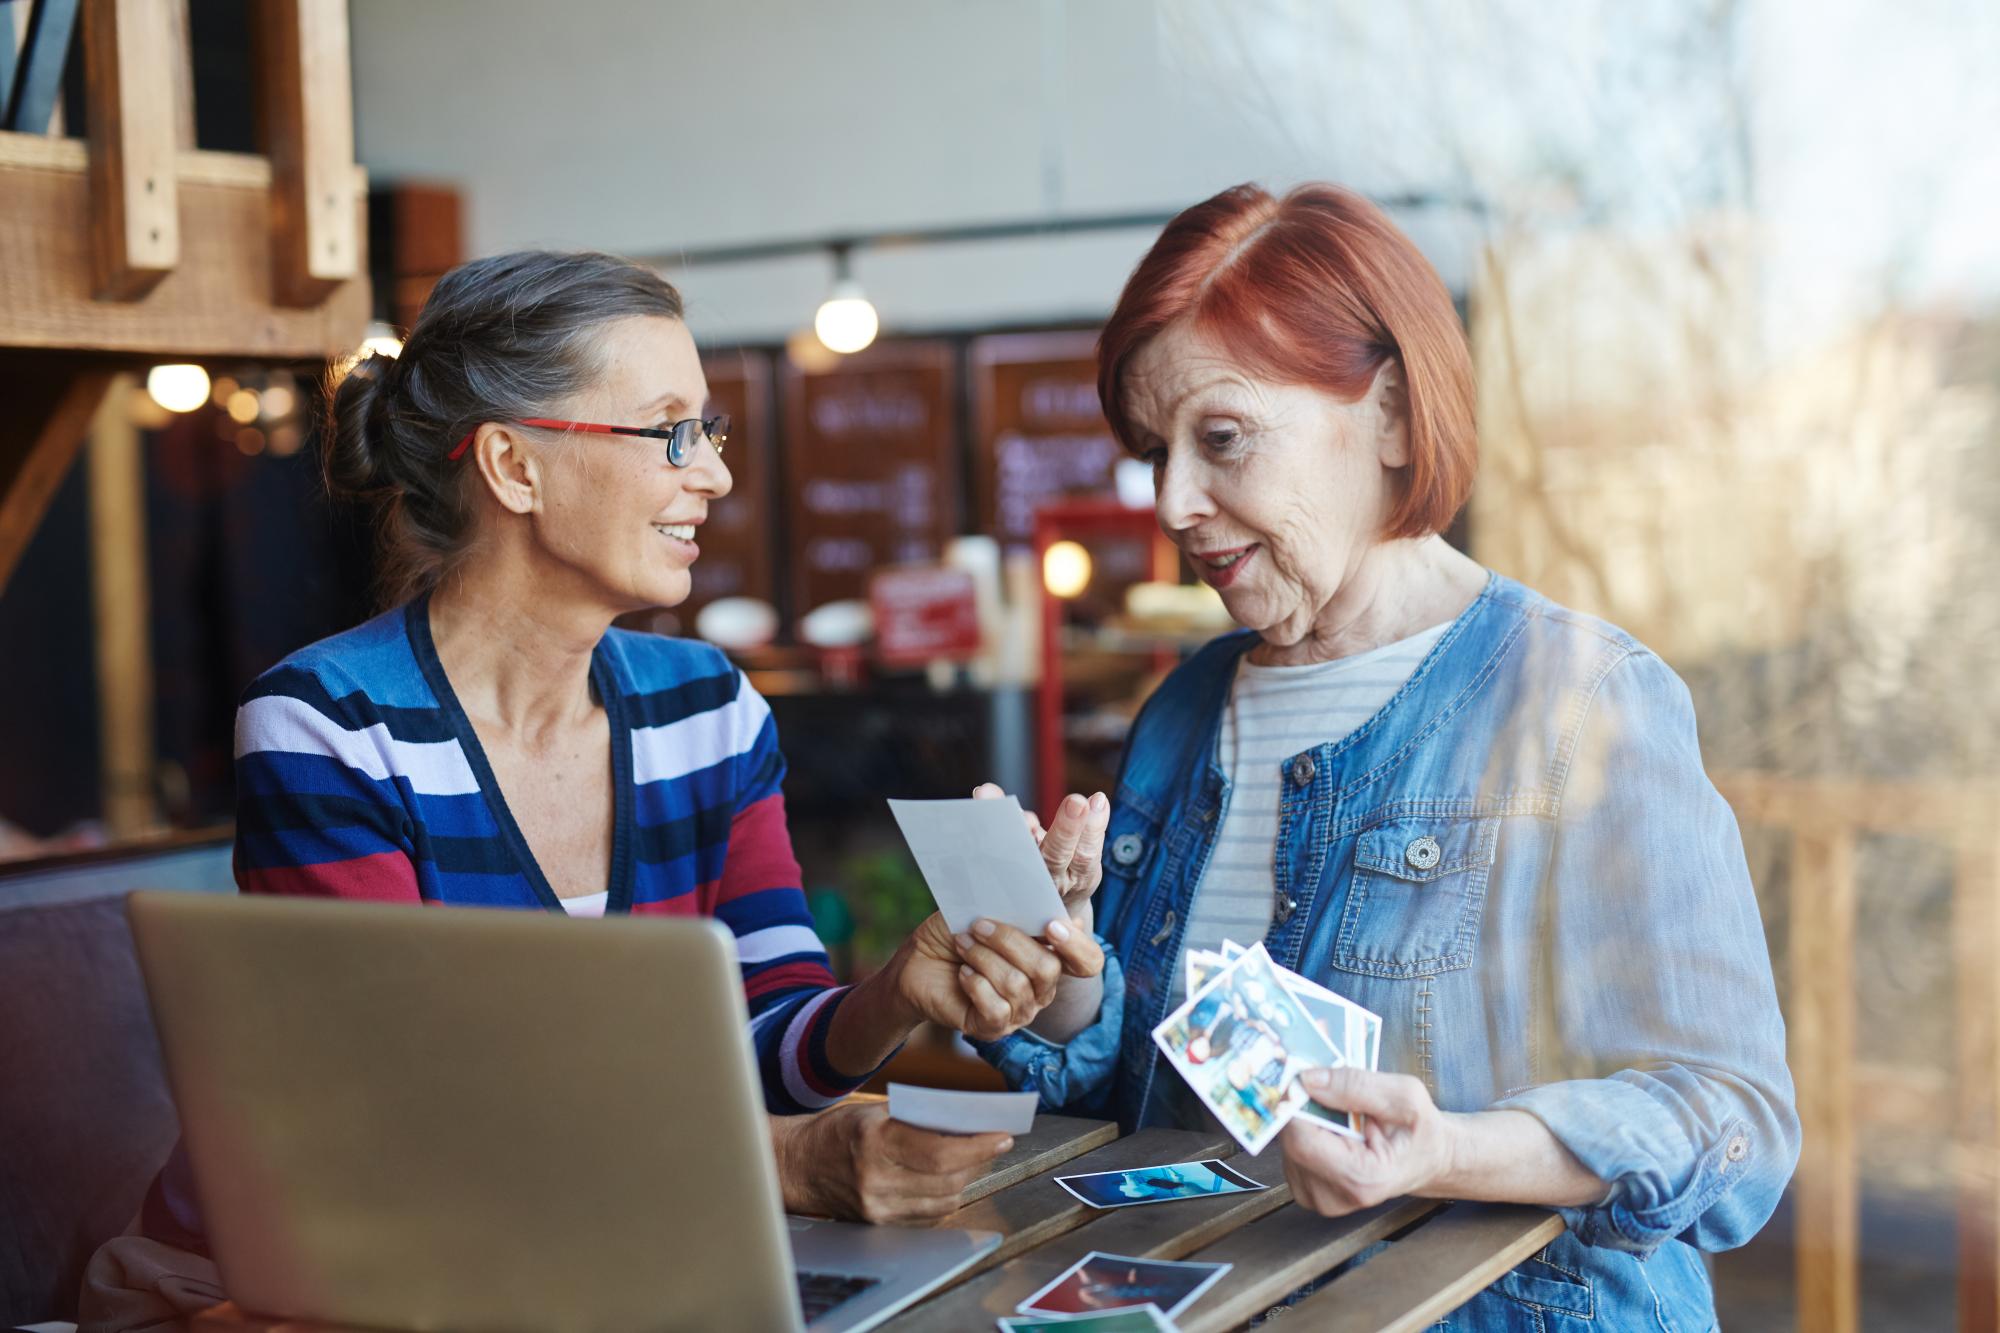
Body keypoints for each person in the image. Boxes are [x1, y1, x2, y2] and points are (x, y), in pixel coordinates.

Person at [80, 250, 1106, 1329]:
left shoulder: (706, 709)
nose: (710, 475)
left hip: (575, 1259)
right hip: (299, 1285)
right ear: (514, 468)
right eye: (670, 431)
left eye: (707, 432)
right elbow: (412, 1125)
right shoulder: (328, 725)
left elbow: (768, 1046)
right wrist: (790, 1166)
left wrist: (898, 989)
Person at [977, 184, 1799, 1329]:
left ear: (1396, 417)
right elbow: (1149, 1104)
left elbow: (1729, 1119)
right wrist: (1065, 981)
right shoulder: (1182, 711)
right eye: (1151, 450)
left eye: (1219, 439)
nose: (1170, 500)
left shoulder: (1583, 703)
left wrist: (1448, 1150)